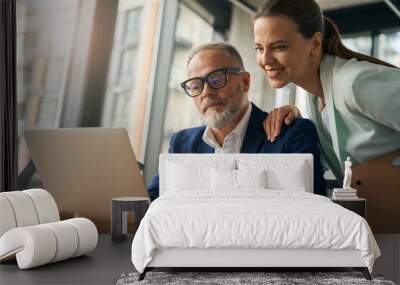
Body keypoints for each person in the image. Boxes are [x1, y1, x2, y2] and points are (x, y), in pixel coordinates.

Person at [147, 42, 326, 201]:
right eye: (195, 86)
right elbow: (148, 202)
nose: (205, 92)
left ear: (245, 82)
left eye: (216, 80)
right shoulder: (181, 144)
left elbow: (316, 209)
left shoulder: (292, 134)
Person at [253, 0, 400, 182]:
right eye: (259, 48)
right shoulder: (315, 95)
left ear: (315, 44)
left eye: (279, 47)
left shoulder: (355, 83)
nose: (265, 59)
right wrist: (298, 121)